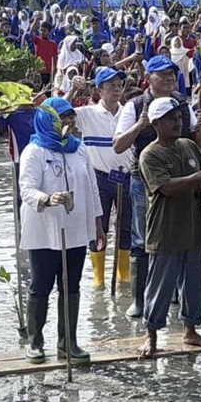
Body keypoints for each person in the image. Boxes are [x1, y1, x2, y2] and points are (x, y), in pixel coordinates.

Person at [113, 55, 201, 318]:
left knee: (181, 235)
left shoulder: (181, 103)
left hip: (180, 177)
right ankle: (140, 300)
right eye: (162, 74)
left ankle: (179, 296)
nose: (169, 78)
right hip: (143, 179)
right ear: (148, 78)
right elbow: (118, 145)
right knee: (143, 238)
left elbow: (196, 144)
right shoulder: (134, 105)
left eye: (172, 74)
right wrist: (141, 124)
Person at [137, 97, 201, 358]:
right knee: (160, 285)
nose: (177, 122)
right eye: (171, 118)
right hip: (165, 230)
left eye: (179, 117)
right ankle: (151, 333)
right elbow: (167, 187)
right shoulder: (150, 154)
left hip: (192, 227)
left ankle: (190, 330)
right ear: (156, 123)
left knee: (193, 283)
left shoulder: (189, 146)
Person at [19, 97, 106, 364]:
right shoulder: (34, 151)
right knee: (41, 286)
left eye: (70, 117)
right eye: (63, 118)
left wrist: (98, 226)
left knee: (71, 286)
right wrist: (48, 198)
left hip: (76, 228)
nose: (69, 122)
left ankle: (68, 342)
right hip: (44, 228)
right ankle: (35, 342)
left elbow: (92, 188)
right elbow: (26, 189)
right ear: (49, 120)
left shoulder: (78, 150)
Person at [69, 68, 133, 288]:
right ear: (99, 89)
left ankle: (123, 275)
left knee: (126, 226)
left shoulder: (129, 112)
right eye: (111, 85)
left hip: (126, 178)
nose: (116, 89)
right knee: (98, 226)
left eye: (119, 85)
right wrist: (72, 90)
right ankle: (98, 278)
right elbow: (55, 115)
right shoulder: (87, 113)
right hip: (98, 178)